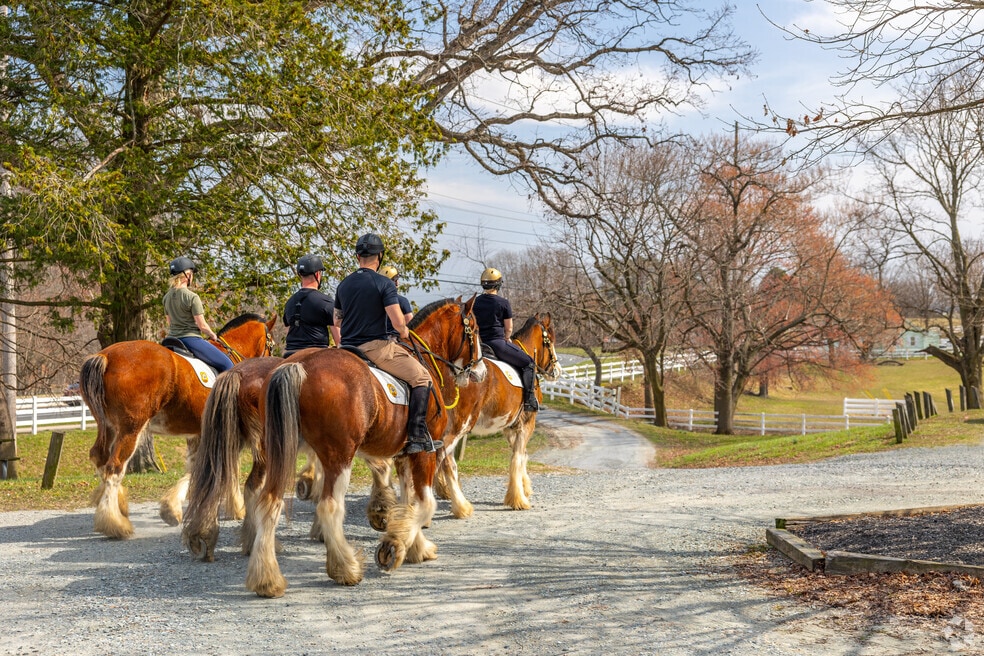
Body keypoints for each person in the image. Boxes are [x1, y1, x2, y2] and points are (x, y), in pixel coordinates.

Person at [333, 233, 443, 455]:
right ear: (380, 256)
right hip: (377, 349)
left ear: (357, 257)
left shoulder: (343, 285)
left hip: (347, 349)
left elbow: (336, 320)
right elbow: (397, 322)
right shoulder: (384, 284)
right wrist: (403, 331)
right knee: (422, 377)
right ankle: (416, 436)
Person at [472, 267, 539, 412]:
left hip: (478, 343)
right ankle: (529, 400)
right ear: (498, 285)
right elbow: (508, 328)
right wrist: (507, 339)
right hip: (496, 343)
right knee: (529, 363)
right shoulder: (503, 303)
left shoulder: (474, 302)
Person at [163, 256, 234, 373]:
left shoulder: (166, 297)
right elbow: (202, 326)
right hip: (190, 339)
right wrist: (213, 335)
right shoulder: (192, 297)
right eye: (192, 274)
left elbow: (169, 322)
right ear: (187, 275)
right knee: (228, 364)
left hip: (171, 340)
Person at [283, 254, 341, 357]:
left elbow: (289, 331)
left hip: (290, 355)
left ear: (300, 275)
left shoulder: (289, 303)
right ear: (318, 274)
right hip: (316, 356)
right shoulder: (326, 302)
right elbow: (339, 340)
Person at [379, 264, 413, 334]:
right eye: (395, 280)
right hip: (394, 338)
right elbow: (411, 323)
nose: (397, 282)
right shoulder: (402, 301)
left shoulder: (373, 300)